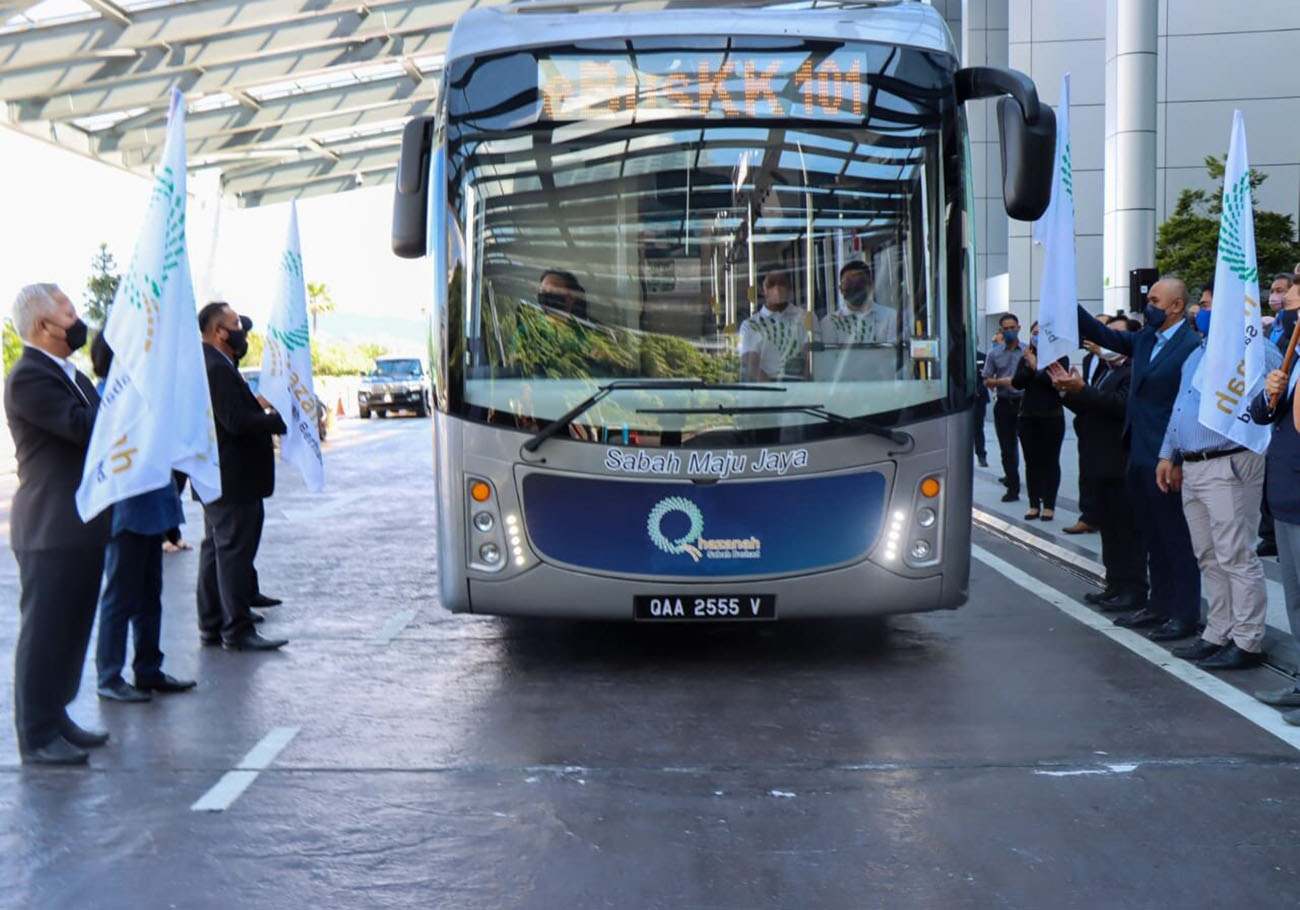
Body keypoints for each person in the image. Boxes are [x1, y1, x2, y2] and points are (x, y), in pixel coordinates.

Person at [5, 283, 111, 765]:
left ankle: (58, 714)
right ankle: (36, 734)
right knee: (45, 635)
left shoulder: (70, 373)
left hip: (80, 524)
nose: (77, 319)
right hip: (50, 527)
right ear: (43, 326)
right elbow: (83, 427)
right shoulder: (29, 377)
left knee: (71, 630)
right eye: (68, 312)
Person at [1153, 306, 1282, 664]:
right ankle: (1218, 630)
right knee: (1207, 554)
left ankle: (1247, 640)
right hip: (1193, 465)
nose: (1202, 311)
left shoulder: (1255, 350)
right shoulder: (1198, 352)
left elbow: (1269, 403)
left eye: (1211, 303)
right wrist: (1169, 454)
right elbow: (1182, 407)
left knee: (1235, 554)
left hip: (1230, 463)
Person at [1076, 278, 1202, 641]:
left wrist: (1176, 456)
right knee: (1151, 534)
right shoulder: (1145, 338)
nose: (1148, 305)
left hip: (1167, 457)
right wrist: (1064, 299)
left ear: (1177, 306)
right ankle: (1159, 606)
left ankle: (1184, 613)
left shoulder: (1191, 347)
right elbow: (1102, 333)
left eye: (1155, 300)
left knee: (1175, 538)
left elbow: (1187, 406)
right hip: (1137, 453)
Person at [88, 333, 197, 702]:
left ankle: (148, 668)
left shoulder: (139, 394)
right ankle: (109, 676)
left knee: (150, 595)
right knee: (121, 597)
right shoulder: (111, 397)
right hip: (127, 512)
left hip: (152, 509)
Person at [196, 301, 289, 651]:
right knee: (233, 552)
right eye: (236, 324)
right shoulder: (215, 367)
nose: (242, 330)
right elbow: (234, 422)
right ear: (220, 332)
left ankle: (213, 622)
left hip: (220, 476)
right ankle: (236, 629)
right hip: (230, 477)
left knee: (216, 552)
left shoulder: (215, 362)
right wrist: (276, 421)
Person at [1052, 317, 1146, 609]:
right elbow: (1090, 406)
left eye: (1116, 335)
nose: (1109, 341)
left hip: (1121, 462)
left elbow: (1119, 406)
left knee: (1126, 531)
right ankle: (1114, 584)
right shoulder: (1107, 369)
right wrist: (1067, 390)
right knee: (1109, 529)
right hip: (1098, 460)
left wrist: (1083, 389)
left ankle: (1133, 588)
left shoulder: (1133, 371)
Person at [1251, 362, 1300, 724]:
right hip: (1284, 498)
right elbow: (1262, 414)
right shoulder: (1293, 360)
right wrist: (1272, 388)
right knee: (1296, 602)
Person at [1011, 322, 1067, 521]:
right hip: (1028, 416)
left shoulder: (1059, 358)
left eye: (1041, 334)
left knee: (1051, 461)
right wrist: (1029, 365)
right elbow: (1016, 382)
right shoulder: (1025, 357)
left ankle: (1049, 505)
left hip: (1052, 417)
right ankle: (1034, 504)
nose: (1037, 337)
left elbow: (1056, 384)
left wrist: (1037, 367)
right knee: (1031, 462)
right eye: (1034, 333)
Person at [1064, 314, 1112, 535]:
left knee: (1107, 473)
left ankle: (1104, 514)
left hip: (1108, 422)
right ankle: (1089, 515)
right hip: (1087, 421)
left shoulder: (1112, 359)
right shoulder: (1087, 360)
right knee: (1086, 470)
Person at [982, 313, 1024, 503]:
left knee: (1030, 448)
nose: (1009, 332)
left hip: (1025, 404)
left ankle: (1036, 491)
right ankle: (1012, 488)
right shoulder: (994, 353)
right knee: (1007, 449)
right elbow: (986, 380)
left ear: (1018, 328)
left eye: (1012, 328)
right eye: (1005, 329)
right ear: (1001, 331)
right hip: (1004, 405)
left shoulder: (1027, 352)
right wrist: (1002, 382)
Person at [739, 270, 806, 382]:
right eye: (771, 284)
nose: (777, 288)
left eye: (782, 283)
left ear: (790, 287)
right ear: (762, 289)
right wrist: (774, 390)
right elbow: (751, 364)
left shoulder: (805, 318)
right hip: (768, 389)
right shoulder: (750, 325)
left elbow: (810, 357)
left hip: (801, 387)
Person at [819, 260, 897, 344]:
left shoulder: (891, 317)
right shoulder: (830, 322)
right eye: (849, 283)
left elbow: (892, 354)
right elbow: (828, 356)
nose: (854, 287)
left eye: (860, 282)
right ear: (841, 289)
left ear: (871, 285)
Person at [974, 346, 989, 468]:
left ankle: (981, 455)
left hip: (979, 400)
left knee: (978, 428)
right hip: (962, 401)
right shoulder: (958, 357)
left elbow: (986, 377)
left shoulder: (983, 357)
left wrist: (978, 391)